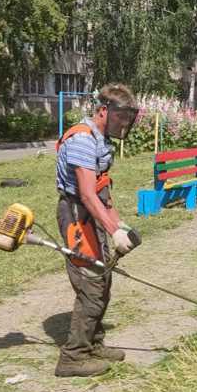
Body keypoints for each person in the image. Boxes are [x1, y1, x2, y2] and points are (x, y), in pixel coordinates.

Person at [54, 84, 139, 377]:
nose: (125, 123)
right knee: (91, 284)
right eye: (121, 117)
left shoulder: (101, 139)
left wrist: (119, 226)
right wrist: (111, 231)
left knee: (103, 282)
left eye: (129, 117)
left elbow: (102, 190)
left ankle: (93, 344)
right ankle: (73, 357)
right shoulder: (82, 140)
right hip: (77, 214)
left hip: (92, 210)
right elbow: (87, 195)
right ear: (104, 111)